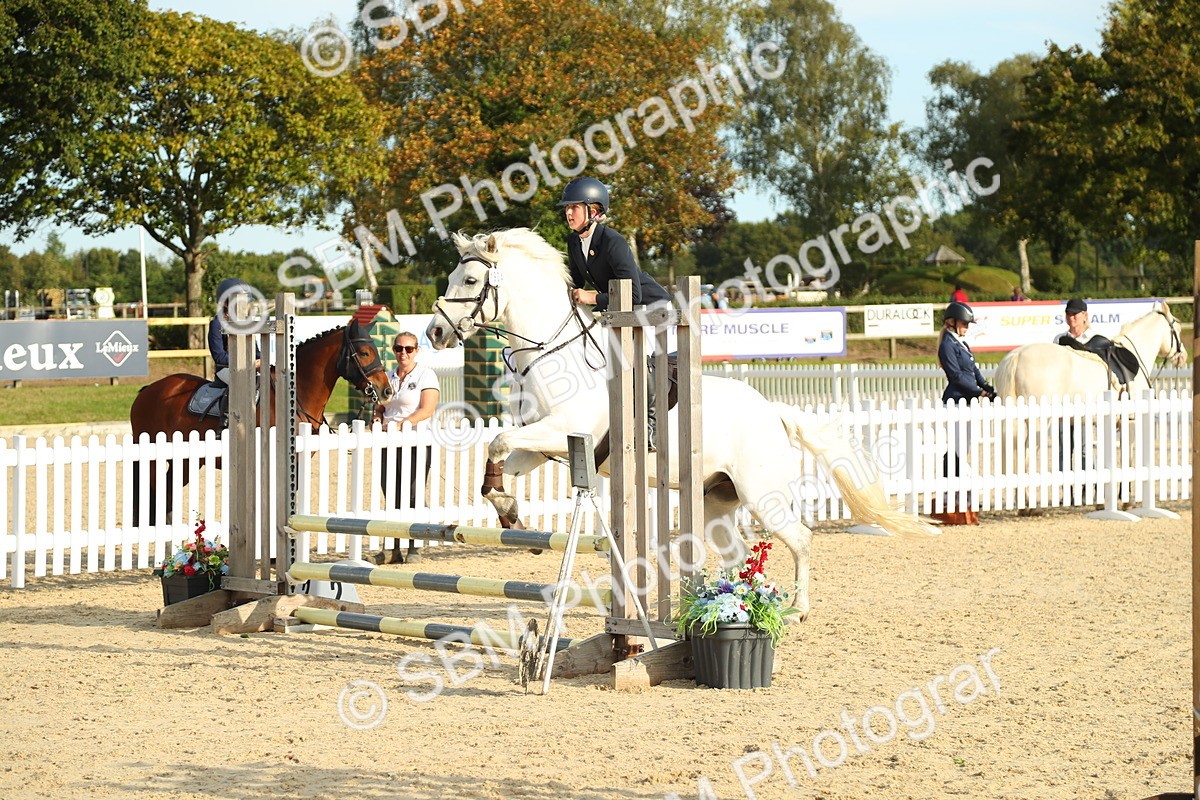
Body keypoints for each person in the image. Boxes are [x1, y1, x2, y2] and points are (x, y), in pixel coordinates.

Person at [559, 176, 670, 445]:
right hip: (619, 311)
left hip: (651, 308)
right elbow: (573, 282)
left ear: (593, 211)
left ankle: (650, 425)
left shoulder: (613, 241)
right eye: (567, 208)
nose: (568, 212)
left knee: (639, 356)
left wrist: (593, 297)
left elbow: (632, 294)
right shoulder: (574, 242)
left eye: (574, 207)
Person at [373, 331, 440, 564]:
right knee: (390, 494)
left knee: (412, 493)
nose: (403, 353)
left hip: (415, 441)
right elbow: (380, 406)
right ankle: (392, 547)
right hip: (388, 441)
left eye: (408, 349)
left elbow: (427, 409)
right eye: (399, 348)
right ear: (394, 350)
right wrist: (376, 417)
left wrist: (403, 424)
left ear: (416, 351)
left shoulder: (426, 376)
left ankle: (415, 547)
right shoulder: (388, 377)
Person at [934, 301, 993, 525]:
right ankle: (951, 490)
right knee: (957, 448)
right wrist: (978, 392)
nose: (967, 328)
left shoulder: (962, 343)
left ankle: (956, 490)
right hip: (956, 400)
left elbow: (973, 371)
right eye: (964, 324)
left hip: (967, 400)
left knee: (963, 447)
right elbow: (956, 376)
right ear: (953, 322)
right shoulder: (947, 345)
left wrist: (986, 386)